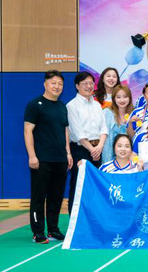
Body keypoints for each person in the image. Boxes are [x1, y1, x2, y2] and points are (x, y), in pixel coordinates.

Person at [24, 70, 72, 244]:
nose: (57, 86)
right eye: (53, 83)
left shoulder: (62, 107)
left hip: (60, 159)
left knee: (56, 197)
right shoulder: (35, 104)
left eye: (60, 83)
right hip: (41, 159)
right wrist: (32, 156)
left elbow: (65, 131)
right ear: (45, 84)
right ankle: (38, 232)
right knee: (38, 197)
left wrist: (68, 153)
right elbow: (28, 130)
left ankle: (53, 229)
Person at [67, 72, 108, 213]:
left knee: (95, 185)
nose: (89, 86)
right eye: (85, 83)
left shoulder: (97, 105)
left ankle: (93, 219)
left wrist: (100, 147)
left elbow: (104, 128)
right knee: (78, 185)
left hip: (98, 149)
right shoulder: (72, 106)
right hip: (81, 150)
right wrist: (92, 149)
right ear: (77, 86)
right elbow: (78, 133)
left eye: (91, 83)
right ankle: (75, 219)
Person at [102, 85, 134, 163]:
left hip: (128, 158)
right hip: (108, 155)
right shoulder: (107, 113)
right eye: (118, 97)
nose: (122, 100)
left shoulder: (134, 114)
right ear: (114, 99)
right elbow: (104, 136)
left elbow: (134, 137)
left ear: (129, 98)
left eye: (125, 97)